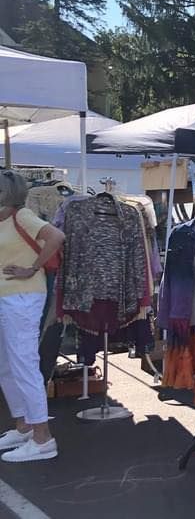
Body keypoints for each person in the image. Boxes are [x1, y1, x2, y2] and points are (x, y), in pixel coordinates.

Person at [0, 170, 65, 462]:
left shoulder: (21, 216)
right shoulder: (5, 220)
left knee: (23, 363)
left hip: (23, 298)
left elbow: (57, 236)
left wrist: (32, 267)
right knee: (6, 365)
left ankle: (42, 437)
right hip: (8, 298)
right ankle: (25, 424)